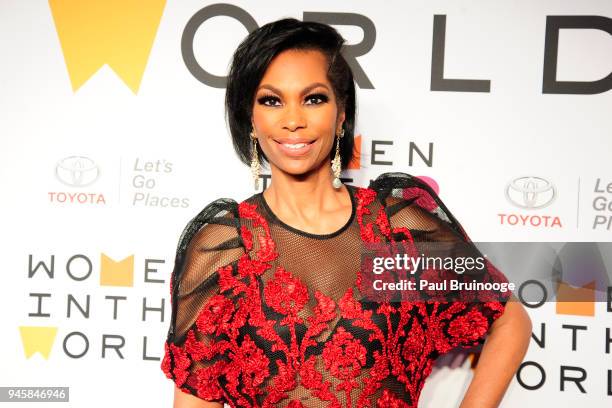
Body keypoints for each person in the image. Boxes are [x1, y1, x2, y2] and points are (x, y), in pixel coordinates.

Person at [161, 18, 532, 408]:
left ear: (341, 114)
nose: (293, 120)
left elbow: (510, 319)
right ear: (250, 119)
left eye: (314, 98)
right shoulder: (226, 247)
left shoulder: (393, 228)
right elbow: (195, 398)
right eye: (271, 100)